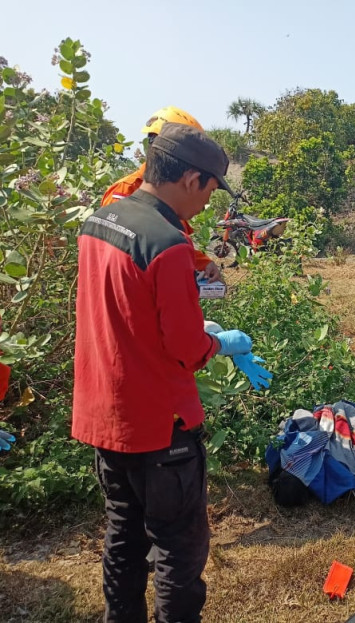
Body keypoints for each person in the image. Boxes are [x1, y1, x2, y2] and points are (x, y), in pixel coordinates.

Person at [72, 123, 262, 623]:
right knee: (177, 552)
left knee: (122, 536)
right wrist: (220, 342)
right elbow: (183, 348)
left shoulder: (100, 222)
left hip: (105, 416)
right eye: (210, 190)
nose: (207, 206)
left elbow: (122, 312)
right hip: (161, 428)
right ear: (192, 179)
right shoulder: (168, 243)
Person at [101, 106, 223, 284]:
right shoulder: (124, 191)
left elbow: (173, 243)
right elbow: (117, 257)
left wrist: (203, 263)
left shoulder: (171, 195)